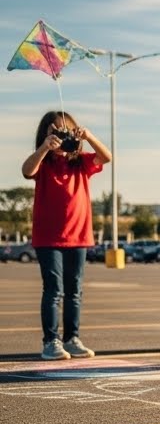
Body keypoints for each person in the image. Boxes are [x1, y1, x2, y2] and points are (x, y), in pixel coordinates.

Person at [20, 111, 111, 361]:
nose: (61, 136)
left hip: (78, 236)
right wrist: (44, 148)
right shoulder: (43, 164)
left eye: (66, 131)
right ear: (46, 134)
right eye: (55, 131)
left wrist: (89, 136)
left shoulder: (81, 162)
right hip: (48, 238)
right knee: (53, 290)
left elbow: (107, 157)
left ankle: (72, 339)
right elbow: (26, 171)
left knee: (75, 291)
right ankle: (51, 342)